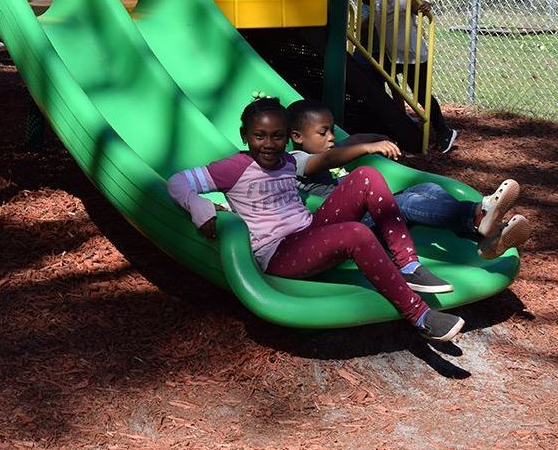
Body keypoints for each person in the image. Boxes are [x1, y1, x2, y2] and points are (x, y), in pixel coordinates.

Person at [167, 96, 466, 343]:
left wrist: (367, 143)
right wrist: (199, 207)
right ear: (245, 136)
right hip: (278, 254)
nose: (269, 144)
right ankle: (421, 316)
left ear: (288, 137)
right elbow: (178, 181)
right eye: (259, 136)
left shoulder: (290, 161)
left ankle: (410, 265)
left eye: (277, 136)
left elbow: (332, 157)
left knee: (367, 175)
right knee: (355, 233)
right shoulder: (234, 167)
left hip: (308, 233)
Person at [286, 99, 532, 260]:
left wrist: (379, 137)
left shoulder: (325, 148)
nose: (330, 137)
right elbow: (330, 160)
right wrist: (369, 147)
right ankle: (477, 214)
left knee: (428, 187)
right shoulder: (292, 161)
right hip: (346, 232)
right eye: (323, 132)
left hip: (363, 218)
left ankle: (484, 235)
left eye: (331, 129)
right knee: (403, 204)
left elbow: (349, 141)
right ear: (297, 137)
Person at [370, 0, 458, 153]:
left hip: (412, 55)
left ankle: (444, 131)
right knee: (382, 82)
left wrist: (424, 6)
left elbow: (418, 6)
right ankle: (398, 121)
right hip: (392, 55)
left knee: (421, 95)